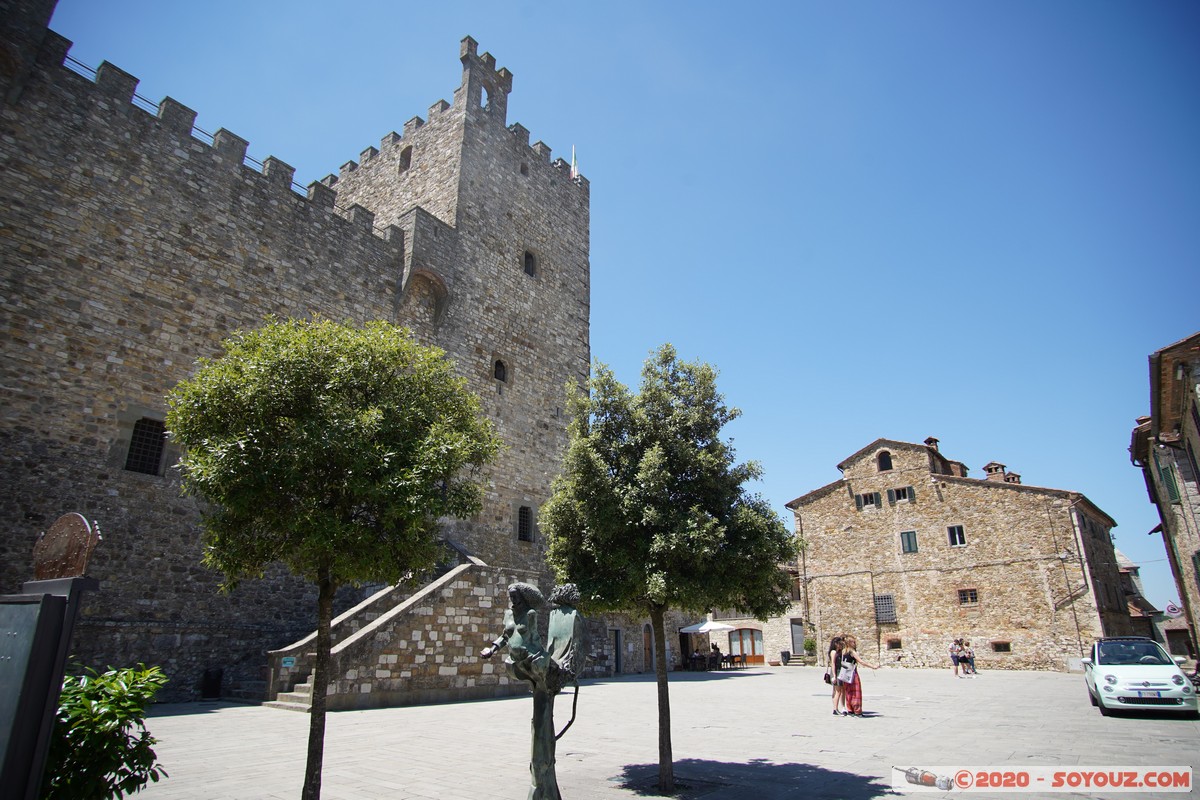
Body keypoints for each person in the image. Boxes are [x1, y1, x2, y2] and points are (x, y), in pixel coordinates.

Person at [838, 635, 879, 717]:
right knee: (856, 692)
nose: (855, 643)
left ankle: (850, 710)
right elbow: (861, 662)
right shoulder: (852, 652)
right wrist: (872, 666)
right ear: (849, 643)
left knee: (848, 692)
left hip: (845, 674)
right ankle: (857, 711)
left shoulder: (843, 651)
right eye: (853, 642)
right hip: (853, 673)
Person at [828, 634, 846, 715]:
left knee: (839, 690)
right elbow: (833, 664)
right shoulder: (833, 652)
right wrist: (834, 675)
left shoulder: (839, 652)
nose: (840, 645)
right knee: (838, 691)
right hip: (836, 672)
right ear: (836, 643)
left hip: (839, 671)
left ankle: (837, 708)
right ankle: (835, 709)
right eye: (839, 643)